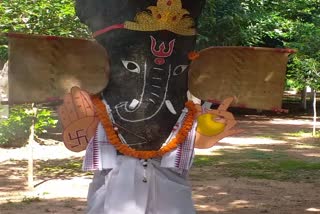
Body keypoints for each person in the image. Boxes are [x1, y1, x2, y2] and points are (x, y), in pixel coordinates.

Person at [58, 0, 242, 213]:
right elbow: (81, 136)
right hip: (114, 180)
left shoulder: (182, 111)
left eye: (178, 69)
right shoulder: (96, 107)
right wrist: (83, 130)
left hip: (170, 182)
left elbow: (190, 134)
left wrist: (204, 132)